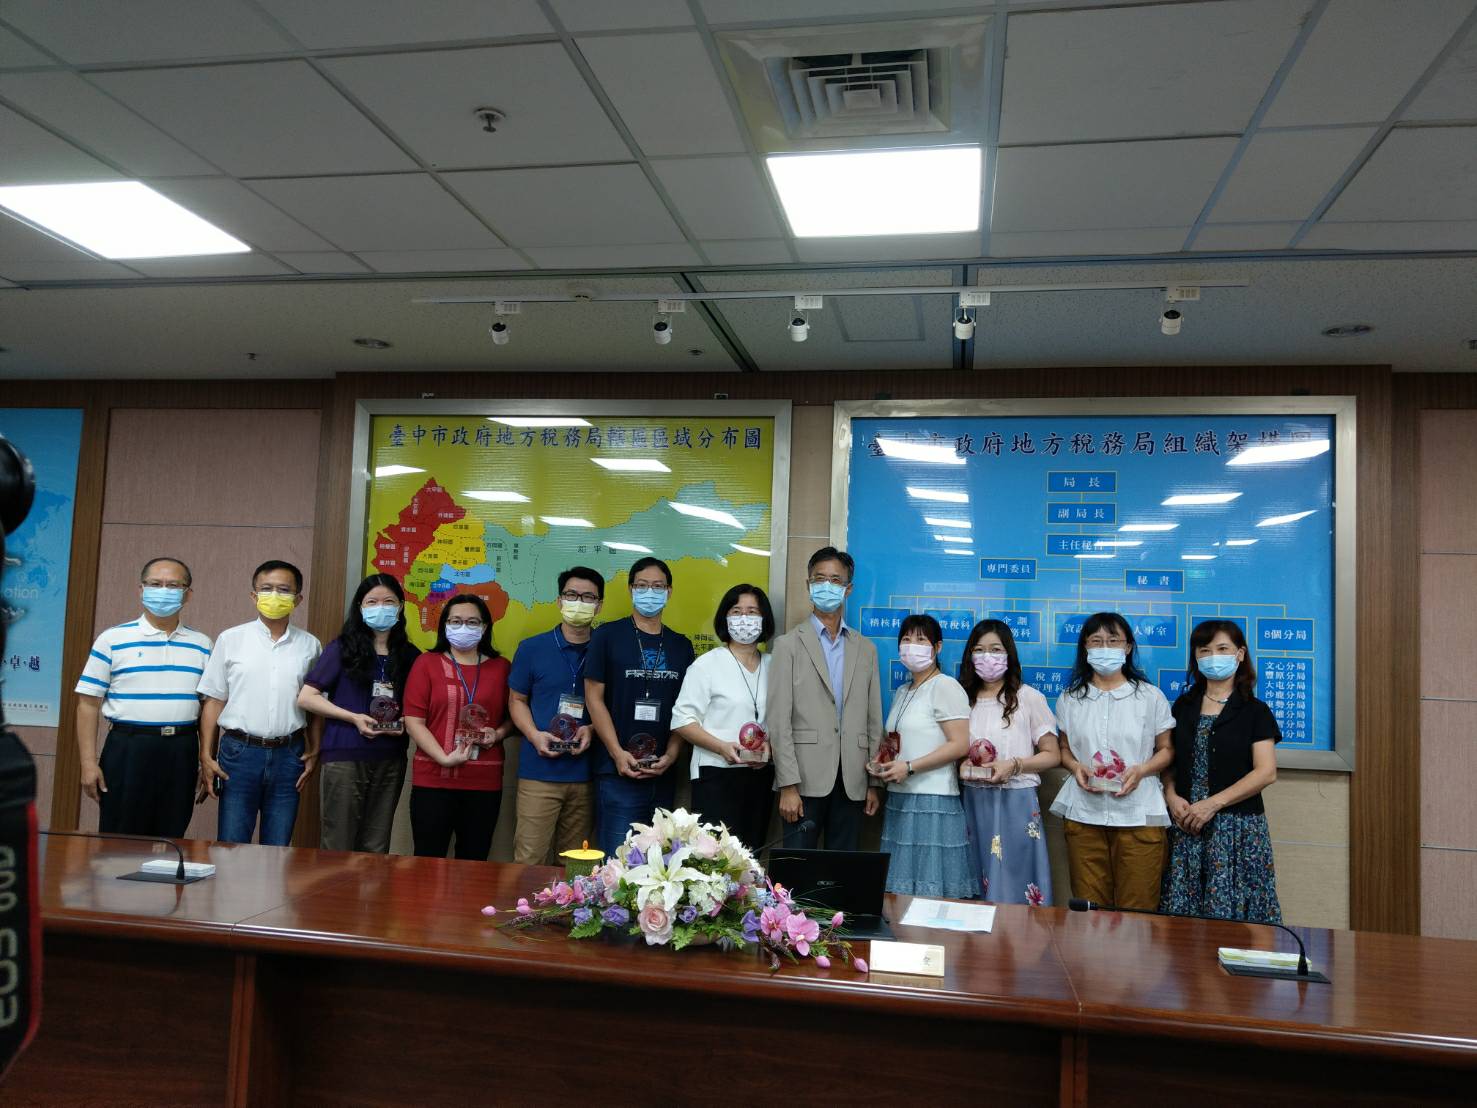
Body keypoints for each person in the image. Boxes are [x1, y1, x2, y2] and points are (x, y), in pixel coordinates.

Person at [74, 557, 212, 837]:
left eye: (173, 585)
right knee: (120, 837)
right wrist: (88, 763)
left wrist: (204, 758)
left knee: (171, 836)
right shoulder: (112, 639)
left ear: (188, 594)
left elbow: (209, 706)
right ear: (141, 590)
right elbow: (87, 704)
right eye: (155, 584)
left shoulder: (203, 644)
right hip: (128, 748)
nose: (163, 591)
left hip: (181, 749)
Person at [1050, 612, 1175, 911]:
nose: (1104, 648)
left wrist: (1142, 770)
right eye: (1096, 641)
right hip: (1084, 815)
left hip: (1138, 815)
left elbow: (1167, 750)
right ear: (1085, 647)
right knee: (1090, 911)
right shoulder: (1070, 698)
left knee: (1139, 910)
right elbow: (1063, 748)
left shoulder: (1151, 697)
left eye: (1113, 640)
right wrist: (1075, 767)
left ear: (1128, 647)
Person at [1161, 620, 1283, 923]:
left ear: (1240, 654)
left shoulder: (1255, 711)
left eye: (1222, 648)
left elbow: (1266, 772)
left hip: (1236, 830)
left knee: (1238, 923)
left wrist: (1213, 804)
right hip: (1188, 824)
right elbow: (1170, 761)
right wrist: (1171, 796)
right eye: (1205, 650)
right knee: (1184, 923)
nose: (1213, 656)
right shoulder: (1183, 706)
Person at [198, 560, 322, 846]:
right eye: (267, 589)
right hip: (239, 752)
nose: (274, 595)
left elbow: (316, 705)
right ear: (254, 595)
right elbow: (214, 700)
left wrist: (315, 750)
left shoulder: (311, 645)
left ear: (298, 599)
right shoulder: (231, 639)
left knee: (277, 847)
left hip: (289, 754)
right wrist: (206, 755)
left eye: (284, 590)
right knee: (231, 845)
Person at [767, 547, 883, 850]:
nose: (827, 586)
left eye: (835, 580)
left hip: (853, 781)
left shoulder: (866, 649)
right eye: (820, 579)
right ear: (808, 585)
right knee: (796, 868)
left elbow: (874, 720)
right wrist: (787, 785)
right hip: (803, 781)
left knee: (841, 869)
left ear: (848, 589)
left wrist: (874, 783)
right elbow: (778, 721)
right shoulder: (788, 646)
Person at [297, 574, 420, 853]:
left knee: (377, 844)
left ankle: (371, 886)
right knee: (338, 842)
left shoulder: (410, 655)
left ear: (400, 607)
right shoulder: (342, 648)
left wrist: (406, 720)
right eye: (372, 602)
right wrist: (353, 717)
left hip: (390, 757)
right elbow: (307, 698)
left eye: (388, 602)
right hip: (345, 754)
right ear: (360, 607)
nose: (381, 608)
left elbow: (417, 705)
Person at [585, 557, 695, 857]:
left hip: (663, 772)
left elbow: (686, 708)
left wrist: (672, 754)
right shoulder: (607, 636)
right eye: (642, 585)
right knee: (619, 861)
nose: (650, 592)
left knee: (658, 862)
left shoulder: (681, 645)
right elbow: (594, 698)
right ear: (631, 589)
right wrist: (616, 753)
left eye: (658, 586)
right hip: (617, 771)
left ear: (669, 592)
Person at [403, 594, 513, 860]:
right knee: (428, 860)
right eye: (456, 621)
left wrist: (498, 733)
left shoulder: (502, 668)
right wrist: (442, 757)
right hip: (433, 778)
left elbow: (515, 716)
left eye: (472, 622)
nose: (463, 627)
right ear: (445, 625)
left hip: (483, 781)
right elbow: (413, 721)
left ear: (485, 627)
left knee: (474, 861)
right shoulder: (426, 663)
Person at [958, 619, 1060, 906]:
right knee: (977, 878)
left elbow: (1052, 754)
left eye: (995, 649)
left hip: (1017, 801)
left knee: (1017, 880)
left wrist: (1013, 766)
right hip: (974, 801)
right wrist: (961, 764)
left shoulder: (1029, 698)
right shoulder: (962, 699)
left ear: (1009, 654)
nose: (987, 657)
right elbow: (954, 747)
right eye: (979, 650)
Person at [873, 615, 975, 897]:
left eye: (921, 639)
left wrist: (910, 767)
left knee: (930, 889)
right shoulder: (903, 691)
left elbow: (960, 744)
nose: (912, 646)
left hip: (932, 800)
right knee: (900, 889)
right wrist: (881, 762)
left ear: (937, 647)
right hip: (900, 796)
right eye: (906, 639)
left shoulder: (945, 686)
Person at [507, 567, 603, 865]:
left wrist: (592, 728)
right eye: (572, 595)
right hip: (539, 773)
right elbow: (517, 700)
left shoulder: (606, 649)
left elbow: (612, 705)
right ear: (560, 601)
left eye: (588, 597)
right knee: (529, 859)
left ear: (599, 605)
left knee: (575, 864)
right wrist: (534, 735)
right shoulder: (532, 648)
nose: (579, 602)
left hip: (586, 774)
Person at [672, 583, 776, 850]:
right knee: (714, 858)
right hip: (716, 773)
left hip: (761, 774)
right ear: (725, 618)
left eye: (752, 612)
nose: (744, 619)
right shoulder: (706, 665)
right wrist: (721, 747)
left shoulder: (774, 664)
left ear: (764, 619)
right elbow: (682, 720)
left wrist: (771, 746)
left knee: (751, 855)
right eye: (736, 611)